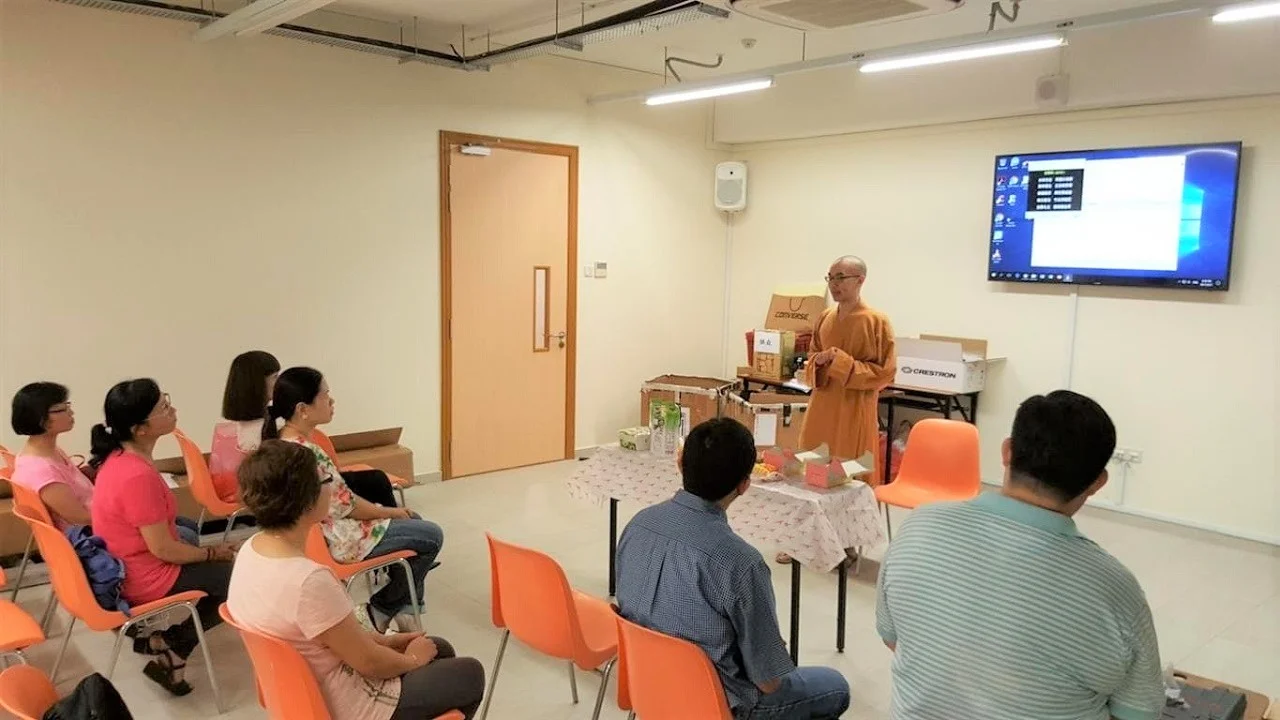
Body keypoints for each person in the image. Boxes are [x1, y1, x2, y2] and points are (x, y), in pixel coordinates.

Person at [875, 391, 1164, 720]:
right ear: (1098, 482)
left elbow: (892, 638)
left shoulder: (920, 526)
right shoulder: (1115, 589)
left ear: (1007, 451)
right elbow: (1138, 713)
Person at [229, 440, 484, 720]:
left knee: (440, 649)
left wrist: (384, 642)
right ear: (307, 500)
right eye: (326, 480)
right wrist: (412, 660)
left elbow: (331, 636)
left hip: (296, 693)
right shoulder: (308, 581)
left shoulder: (250, 550)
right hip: (347, 704)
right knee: (470, 673)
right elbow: (369, 663)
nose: (332, 487)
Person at [615, 418, 851, 720]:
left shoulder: (638, 524)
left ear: (681, 465)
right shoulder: (740, 562)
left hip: (646, 680)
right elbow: (768, 682)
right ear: (744, 485)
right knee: (836, 687)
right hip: (717, 703)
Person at [265, 367, 443, 632]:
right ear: (303, 409)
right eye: (325, 395)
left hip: (321, 533)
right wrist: (391, 512)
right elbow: (347, 507)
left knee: (414, 523)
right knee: (432, 536)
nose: (332, 401)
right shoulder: (308, 454)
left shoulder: (282, 444)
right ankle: (379, 610)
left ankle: (405, 611)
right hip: (340, 538)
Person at [89, 379, 236, 696]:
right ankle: (174, 648)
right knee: (235, 579)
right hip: (141, 575)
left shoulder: (120, 458)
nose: (173, 410)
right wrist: (214, 554)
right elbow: (164, 549)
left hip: (127, 561)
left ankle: (160, 642)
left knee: (187, 528)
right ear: (141, 428)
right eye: (164, 407)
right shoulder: (136, 475)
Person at [787, 255, 896, 565]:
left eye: (841, 278)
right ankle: (805, 540)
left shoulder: (876, 321)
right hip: (822, 405)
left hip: (854, 410)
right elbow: (811, 361)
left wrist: (841, 361)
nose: (834, 285)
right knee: (810, 466)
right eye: (830, 278)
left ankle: (845, 545)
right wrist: (819, 362)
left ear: (860, 280)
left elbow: (884, 373)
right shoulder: (824, 317)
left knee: (849, 470)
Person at [213, 350, 399, 508]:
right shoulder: (254, 431)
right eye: (274, 377)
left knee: (372, 480)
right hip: (292, 489)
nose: (279, 383)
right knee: (376, 481)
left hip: (299, 483)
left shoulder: (251, 423)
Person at [9, 382, 95, 529]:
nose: (71, 412)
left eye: (68, 405)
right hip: (94, 534)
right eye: (61, 409)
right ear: (41, 419)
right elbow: (81, 518)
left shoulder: (49, 451)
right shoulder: (41, 471)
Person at [209, 350, 282, 502]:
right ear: (258, 384)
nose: (280, 383)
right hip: (256, 496)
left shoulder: (236, 426)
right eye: (275, 377)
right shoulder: (257, 430)